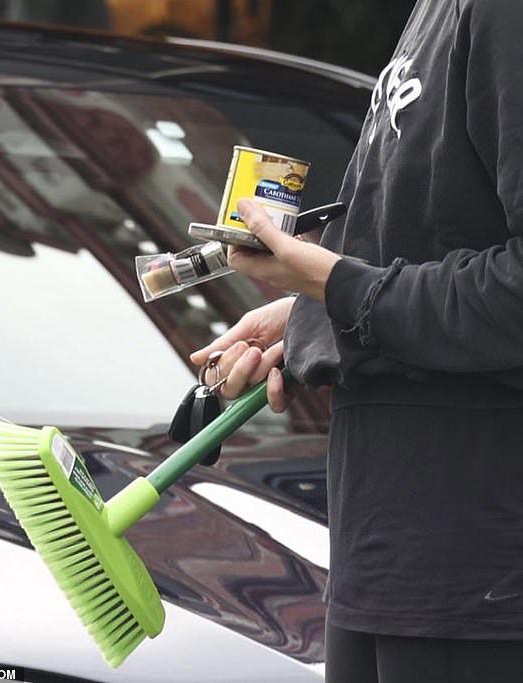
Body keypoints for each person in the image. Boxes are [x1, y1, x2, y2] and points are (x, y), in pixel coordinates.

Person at [190, 1, 523, 681]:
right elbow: (418, 260)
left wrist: (332, 284)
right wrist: (309, 315)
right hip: (383, 565)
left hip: (473, 574)